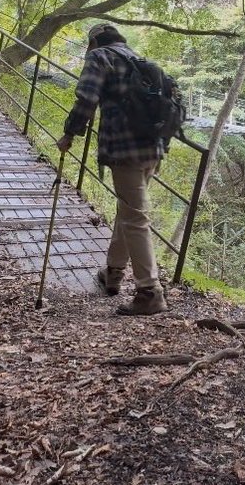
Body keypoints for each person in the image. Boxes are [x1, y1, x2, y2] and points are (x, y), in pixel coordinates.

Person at [57, 23, 168, 316]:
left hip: (124, 149)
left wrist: (69, 133)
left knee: (135, 218)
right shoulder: (139, 61)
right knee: (128, 212)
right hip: (153, 150)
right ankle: (113, 273)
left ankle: (149, 292)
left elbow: (87, 98)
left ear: (94, 42)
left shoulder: (100, 57)